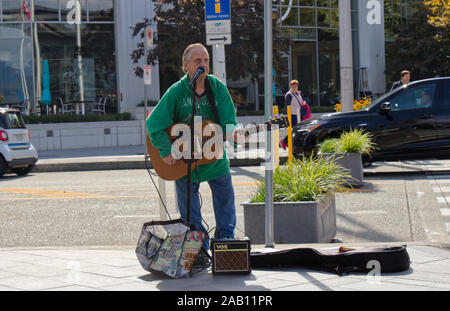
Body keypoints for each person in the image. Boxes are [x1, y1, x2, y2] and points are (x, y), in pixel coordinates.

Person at [146, 43, 242, 262]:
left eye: (206, 60)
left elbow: (229, 121)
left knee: (225, 199)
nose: (203, 64)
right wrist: (165, 149)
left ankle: (224, 244)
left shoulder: (217, 88)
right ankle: (198, 248)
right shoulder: (177, 92)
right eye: (198, 61)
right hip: (185, 163)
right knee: (189, 210)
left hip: (214, 156)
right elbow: (154, 123)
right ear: (186, 65)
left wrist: (234, 132)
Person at [279, 80, 311, 150]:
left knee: (298, 129)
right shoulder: (289, 95)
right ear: (290, 86)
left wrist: (303, 102)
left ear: (297, 86)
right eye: (293, 86)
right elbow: (287, 106)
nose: (294, 87)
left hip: (298, 114)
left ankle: (292, 143)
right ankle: (284, 141)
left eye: (295, 86)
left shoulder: (298, 94)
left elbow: (299, 102)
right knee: (295, 129)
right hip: (292, 115)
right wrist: (288, 116)